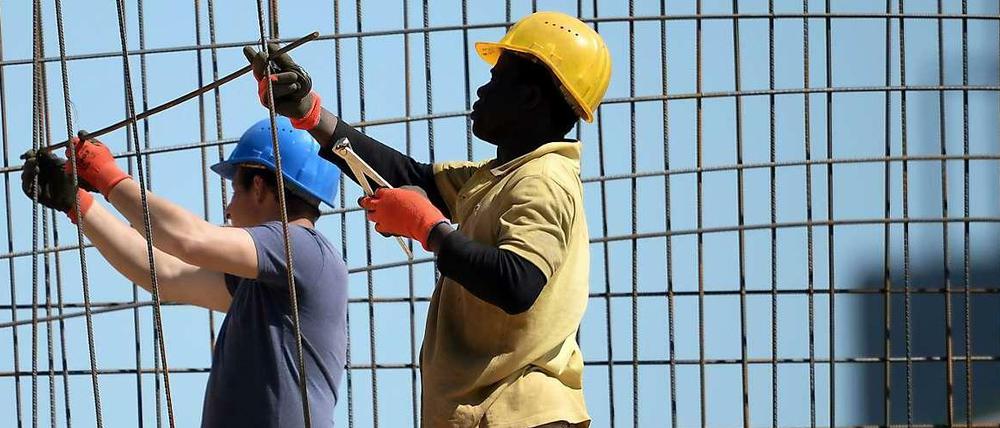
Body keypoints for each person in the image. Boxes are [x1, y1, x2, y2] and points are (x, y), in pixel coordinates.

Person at [245, 10, 610, 427]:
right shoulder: (498, 179)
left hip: (521, 414)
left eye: (498, 80)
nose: (482, 88)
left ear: (530, 99)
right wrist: (311, 115)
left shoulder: (542, 181)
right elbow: (411, 178)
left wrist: (431, 230)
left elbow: (518, 282)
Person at [21, 116, 348, 427]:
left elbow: (187, 239)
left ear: (259, 186)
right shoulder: (270, 278)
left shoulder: (304, 250)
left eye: (235, 190)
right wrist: (77, 204)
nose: (229, 209)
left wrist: (108, 176)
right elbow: (162, 274)